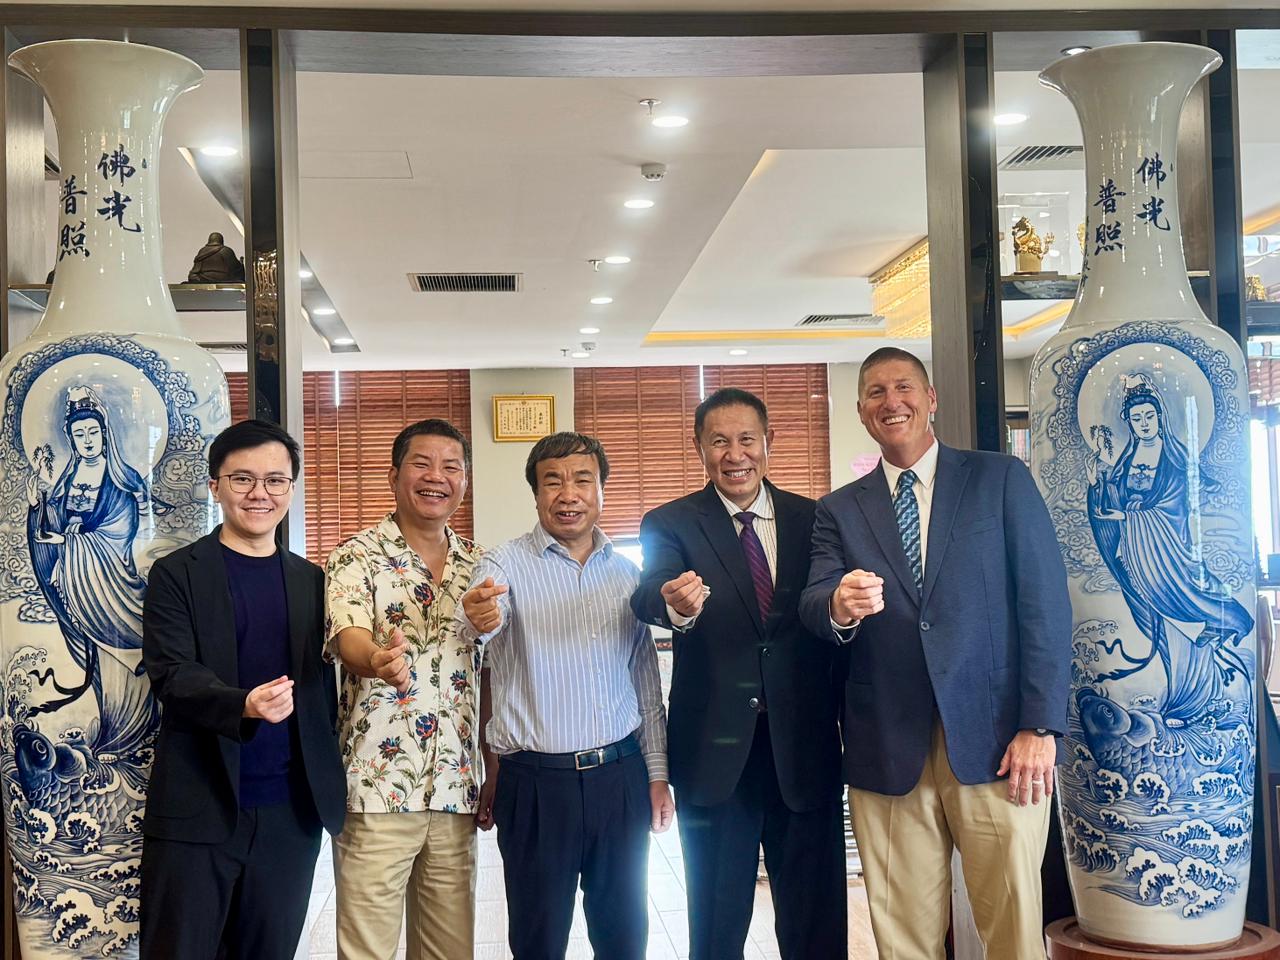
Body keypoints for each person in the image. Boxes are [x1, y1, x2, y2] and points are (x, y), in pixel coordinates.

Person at [799, 347, 1072, 960]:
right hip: (885, 744)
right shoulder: (838, 509)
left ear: (931, 399)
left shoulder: (1000, 479)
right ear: (861, 412)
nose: (890, 401)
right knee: (903, 938)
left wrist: (1039, 726)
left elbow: (1045, 606)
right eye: (875, 392)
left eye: (903, 387)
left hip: (999, 743)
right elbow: (815, 602)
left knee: (1013, 929)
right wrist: (839, 605)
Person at [630, 387, 846, 959]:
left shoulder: (814, 518)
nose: (735, 454)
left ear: (769, 442)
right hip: (715, 753)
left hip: (804, 747)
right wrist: (676, 604)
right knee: (717, 925)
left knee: (817, 922)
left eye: (747, 439)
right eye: (719, 442)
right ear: (699, 448)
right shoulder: (671, 522)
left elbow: (829, 610)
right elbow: (650, 591)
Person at [456, 431, 674, 960]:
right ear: (536, 494)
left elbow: (646, 685)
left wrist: (657, 775)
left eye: (582, 480)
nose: (568, 494)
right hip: (535, 785)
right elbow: (479, 622)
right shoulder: (503, 565)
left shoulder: (628, 575)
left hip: (620, 779)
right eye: (552, 481)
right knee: (538, 940)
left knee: (625, 938)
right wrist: (479, 616)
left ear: (601, 491)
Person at [140, 419, 346, 960]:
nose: (260, 493)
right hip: (197, 808)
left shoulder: (314, 581)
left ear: (291, 489)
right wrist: (243, 704)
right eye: (243, 479)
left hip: (290, 814)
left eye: (275, 480)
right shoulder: (176, 574)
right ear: (216, 486)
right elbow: (171, 673)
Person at [325, 418, 484, 960]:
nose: (436, 477)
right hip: (376, 788)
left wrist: (492, 770)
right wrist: (377, 659)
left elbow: (490, 674)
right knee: (367, 951)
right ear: (394, 475)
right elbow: (348, 637)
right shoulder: (356, 555)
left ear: (465, 481)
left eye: (451, 467)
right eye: (422, 464)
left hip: (455, 788)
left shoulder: (479, 565)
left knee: (450, 951)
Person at [1086, 373, 1253, 717]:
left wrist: (1129, 516)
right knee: (1154, 618)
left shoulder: (1174, 458)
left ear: (1159, 416)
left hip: (1166, 548)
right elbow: (1111, 502)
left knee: (1184, 597)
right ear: (1129, 423)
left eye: (1149, 416)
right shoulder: (1127, 458)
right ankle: (1181, 687)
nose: (1144, 423)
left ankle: (1211, 650)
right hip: (1135, 550)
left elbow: (1173, 505)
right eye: (1136, 418)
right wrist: (1097, 481)